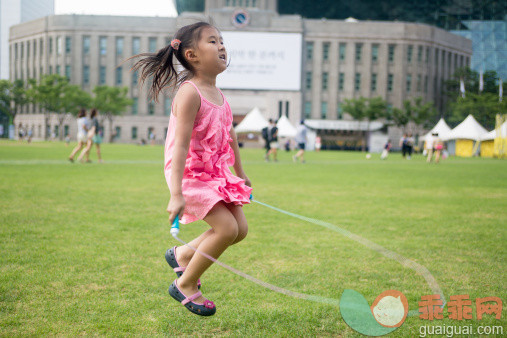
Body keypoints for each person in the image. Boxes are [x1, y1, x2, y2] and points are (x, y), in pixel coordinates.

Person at [132, 21, 252, 316]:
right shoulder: (189, 93)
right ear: (192, 55)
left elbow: (231, 137)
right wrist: (175, 193)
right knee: (225, 228)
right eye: (213, 41)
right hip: (189, 174)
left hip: (215, 174)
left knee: (240, 230)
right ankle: (185, 284)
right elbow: (179, 147)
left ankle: (183, 254)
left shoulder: (220, 96)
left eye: (222, 41)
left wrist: (241, 172)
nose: (222, 46)